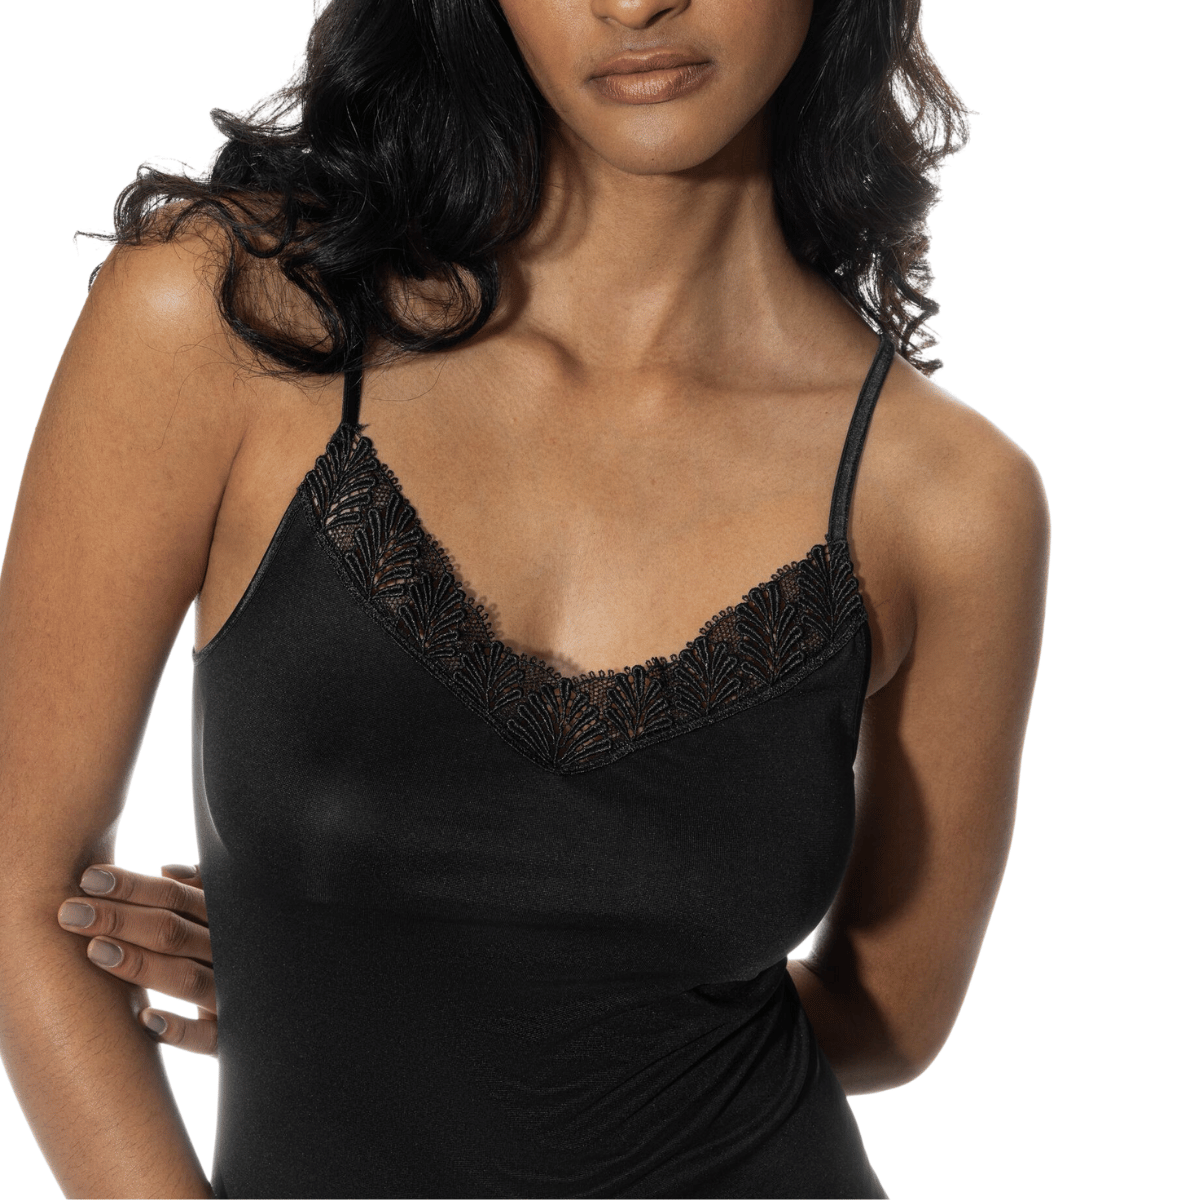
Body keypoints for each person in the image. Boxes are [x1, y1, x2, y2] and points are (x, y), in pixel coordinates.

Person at [0, 0, 1049, 1196]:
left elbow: (886, 1018)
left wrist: (434, 1007)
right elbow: (20, 892)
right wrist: (370, 999)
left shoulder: (947, 500)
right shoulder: (234, 319)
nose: (634, 3)